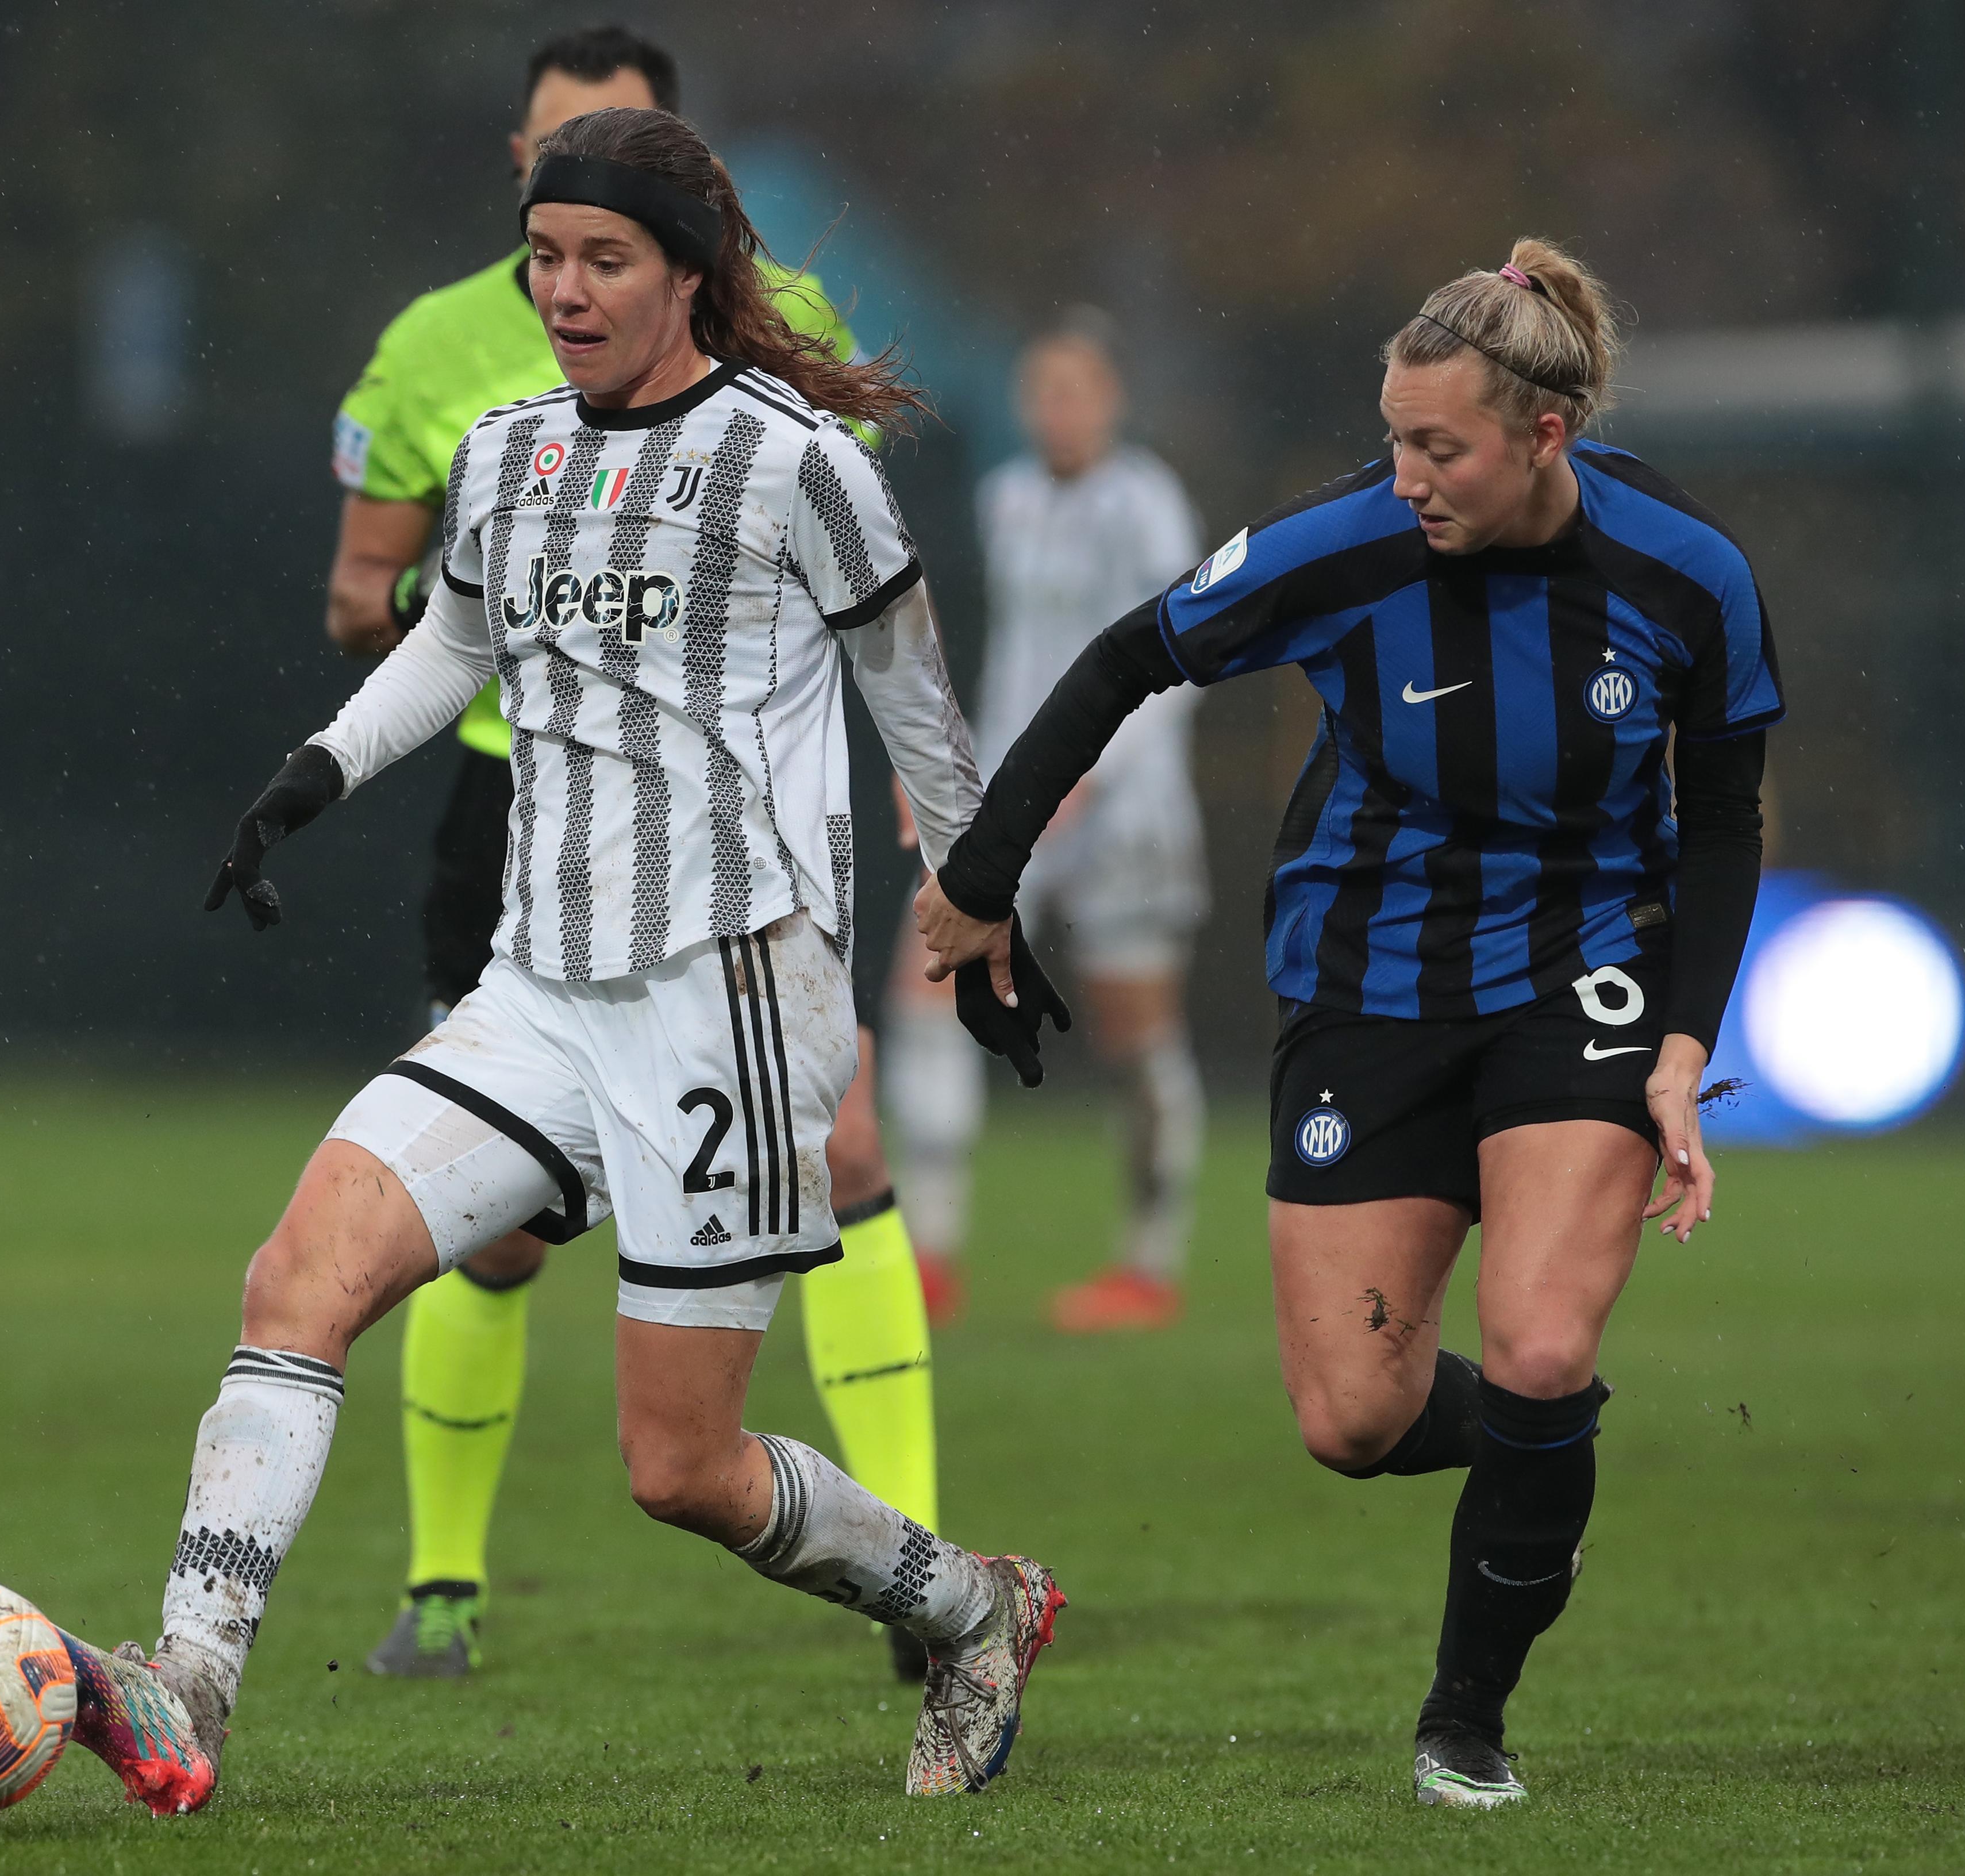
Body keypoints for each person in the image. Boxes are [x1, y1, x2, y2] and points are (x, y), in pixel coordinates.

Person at [66, 106, 1063, 1817]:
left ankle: (977, 1607)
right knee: (296, 1282)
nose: (565, 290)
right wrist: (313, 776)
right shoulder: (511, 449)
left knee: (679, 1471)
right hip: (537, 990)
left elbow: (918, 702)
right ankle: (190, 1685)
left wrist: (981, 908)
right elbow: (449, 644)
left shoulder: (796, 464)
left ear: (691, 272)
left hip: (729, 999)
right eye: (545, 256)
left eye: (604, 259)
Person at [917, 240, 1779, 1807]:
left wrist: (1682, 1042)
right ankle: (1545, 1452)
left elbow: (1721, 817)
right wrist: (983, 881)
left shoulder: (1685, 571)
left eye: (1439, 447)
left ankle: (1466, 1724)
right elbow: (1126, 658)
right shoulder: (1347, 546)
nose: (1408, 477)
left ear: (1544, 437)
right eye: (1393, 439)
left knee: (1533, 1342)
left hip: (1578, 979)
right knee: (1354, 1418)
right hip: (1365, 987)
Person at [325, 26, 941, 1686]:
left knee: (852, 1148)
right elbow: (362, 591)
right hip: (511, 823)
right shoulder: (444, 350)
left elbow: (836, 593)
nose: (573, 268)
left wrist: (919, 801)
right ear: (515, 168)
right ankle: (443, 1585)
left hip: (731, 867)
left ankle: (920, 1563)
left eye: (618, 168)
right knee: (492, 1234)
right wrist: (510, 597)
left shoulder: (788, 330)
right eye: (553, 177)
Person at [885, 314, 1207, 1331]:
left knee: (1134, 1033)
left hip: (1128, 807)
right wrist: (951, 769)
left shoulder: (1147, 504)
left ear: (1111, 399)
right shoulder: (1009, 498)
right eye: (1041, 392)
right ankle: (930, 1254)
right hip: (1017, 796)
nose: (1055, 411)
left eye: (1074, 391)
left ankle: (1149, 1267)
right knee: (926, 975)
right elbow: (1009, 656)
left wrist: (1097, 775)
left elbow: (1185, 662)